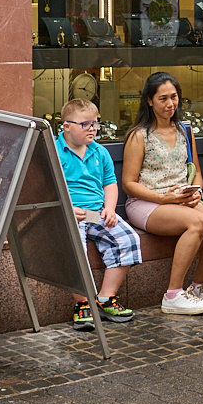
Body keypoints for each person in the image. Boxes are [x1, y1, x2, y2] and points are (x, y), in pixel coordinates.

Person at [121, 72, 203, 316]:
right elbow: (128, 183)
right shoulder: (140, 135)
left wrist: (197, 192)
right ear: (149, 101)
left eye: (174, 97)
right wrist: (161, 198)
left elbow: (196, 171)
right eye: (163, 99)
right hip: (146, 202)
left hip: (181, 198)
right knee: (198, 223)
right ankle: (173, 295)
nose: (170, 104)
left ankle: (198, 288)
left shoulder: (184, 130)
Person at [56, 99, 143, 330]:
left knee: (128, 239)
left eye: (96, 124)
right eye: (85, 124)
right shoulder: (55, 151)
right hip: (71, 213)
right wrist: (64, 207)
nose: (92, 129)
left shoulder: (99, 151)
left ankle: (105, 298)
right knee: (75, 249)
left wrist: (111, 208)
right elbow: (47, 185)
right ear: (66, 126)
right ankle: (82, 303)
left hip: (95, 213)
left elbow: (110, 183)